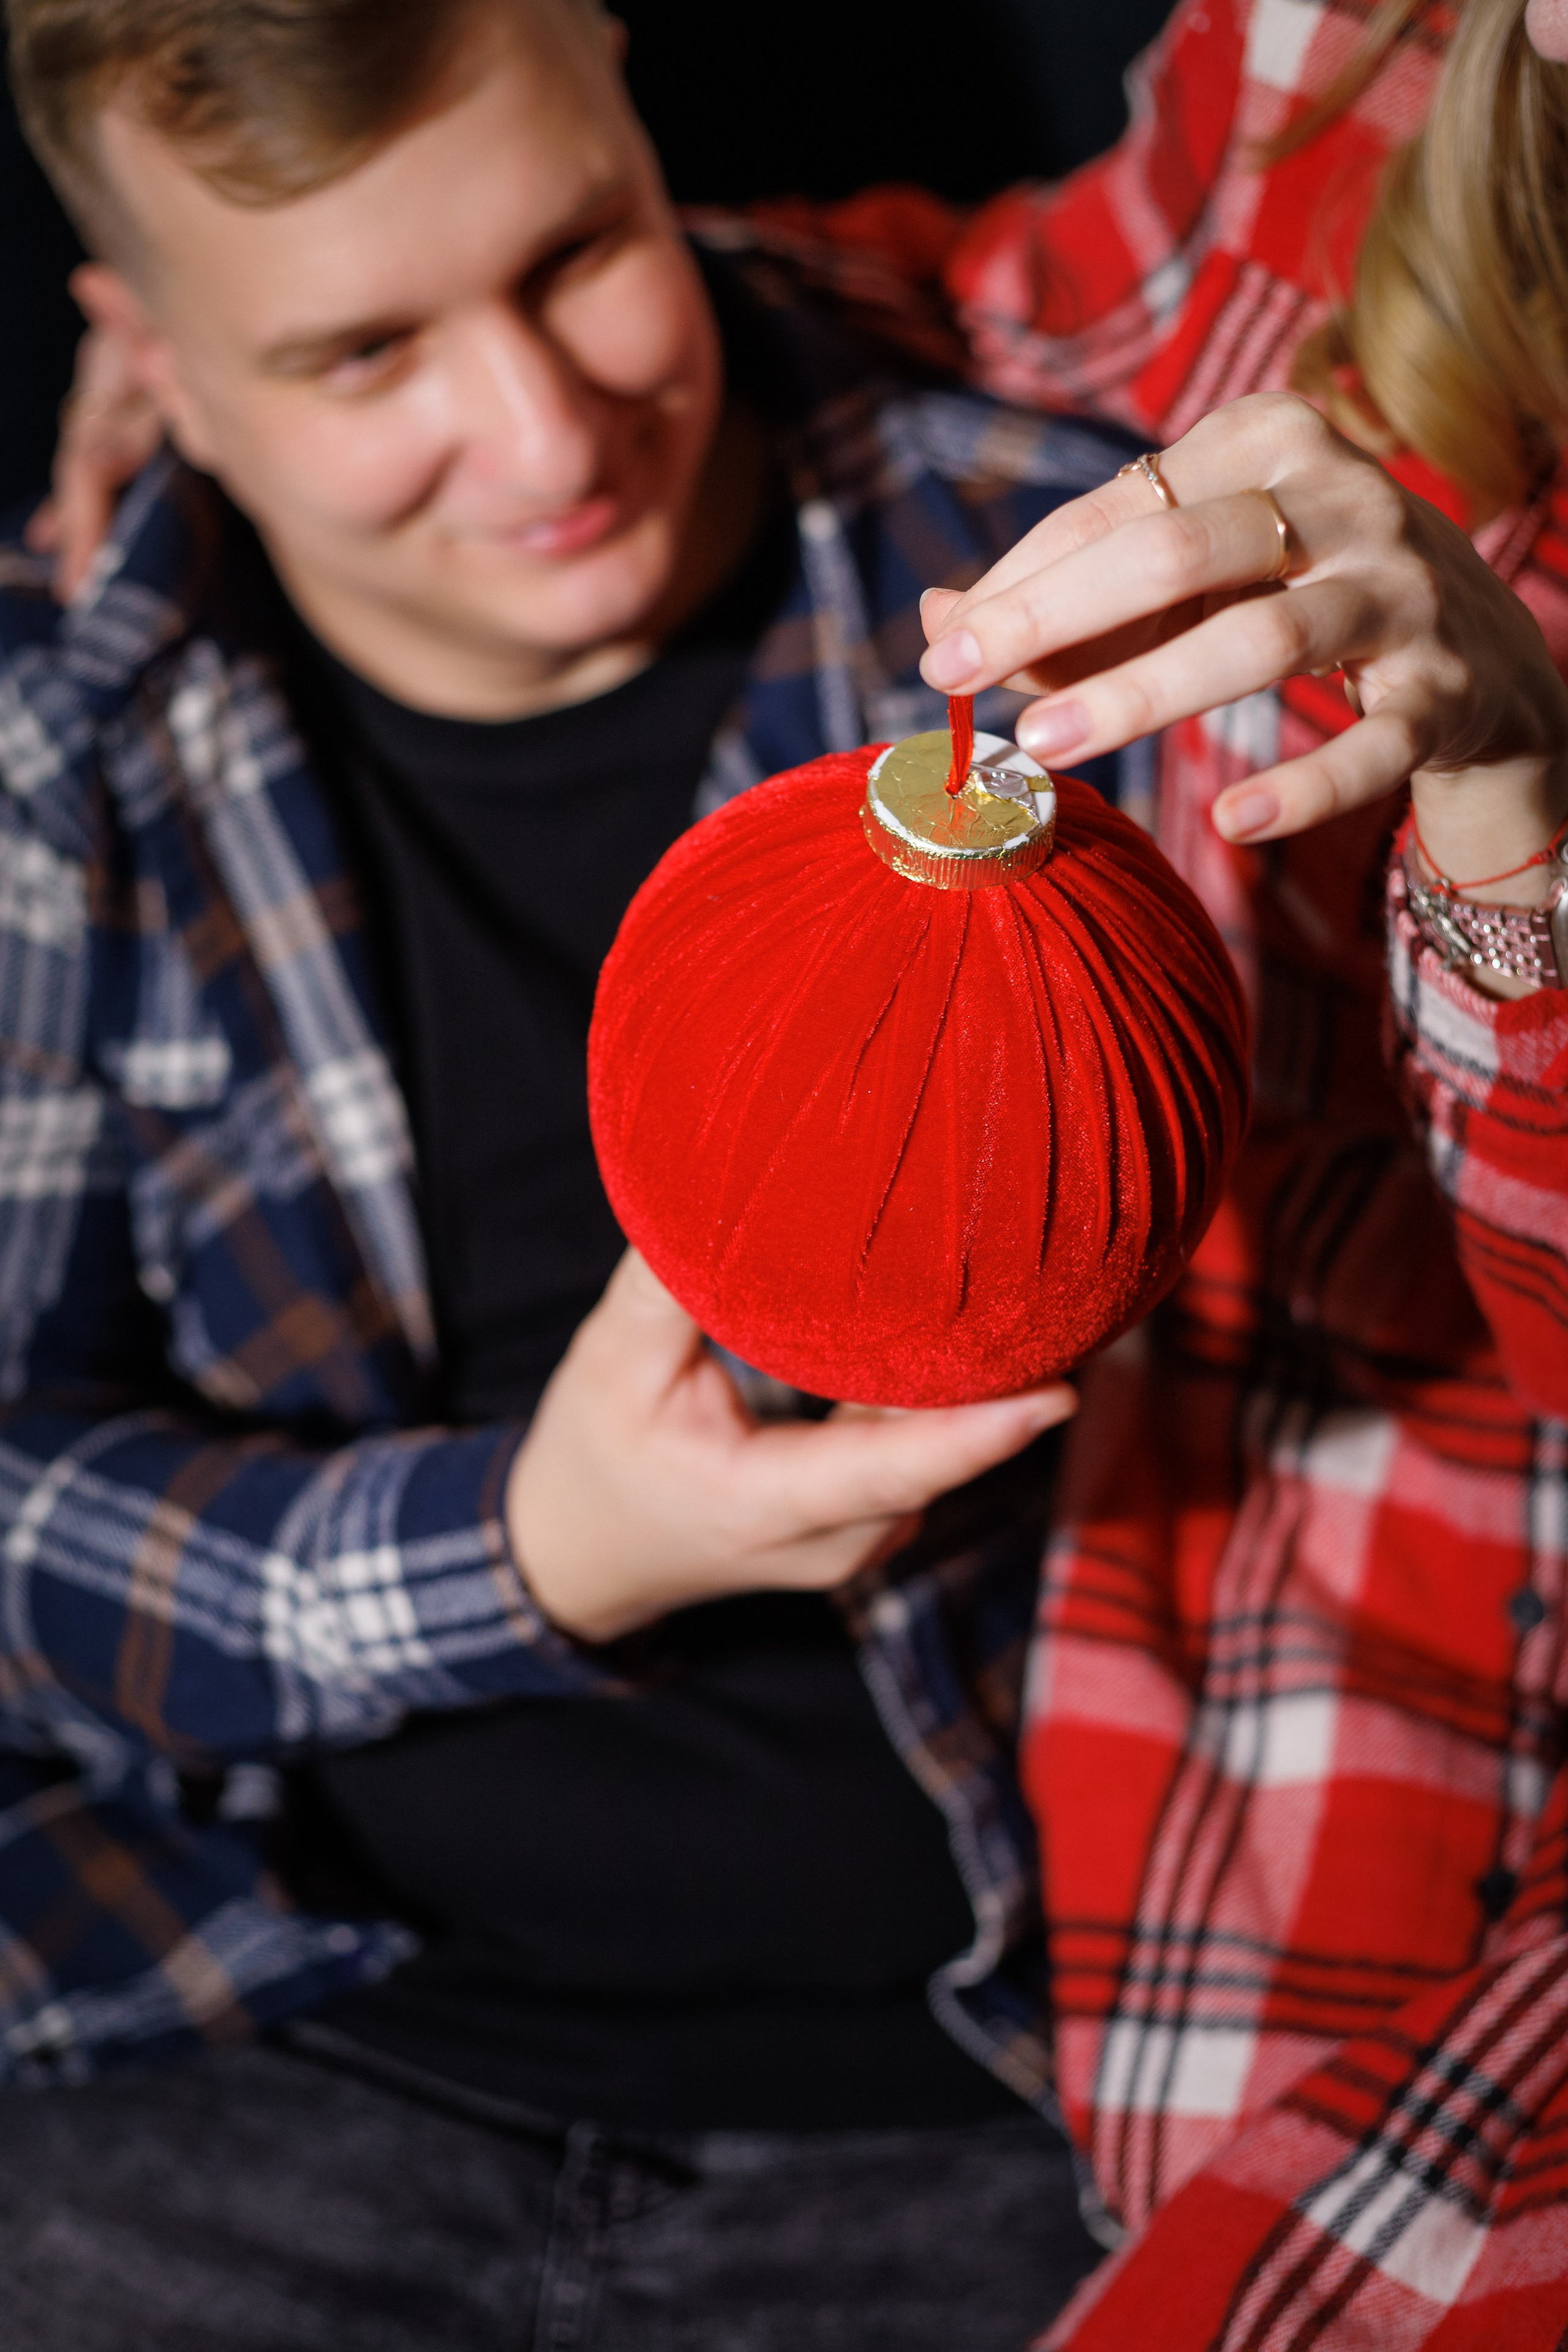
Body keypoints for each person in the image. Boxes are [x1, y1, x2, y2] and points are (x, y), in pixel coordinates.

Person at [15, 1, 1568, 2348]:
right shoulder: (66, 750)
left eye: (579, 251)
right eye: (359, 356)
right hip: (271, 2045)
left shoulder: (1078, 580)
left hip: (980, 2114)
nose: (542, 435)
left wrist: (1521, 831)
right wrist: (533, 1555)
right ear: (153, 363)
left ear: (651, 114)